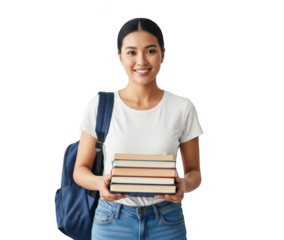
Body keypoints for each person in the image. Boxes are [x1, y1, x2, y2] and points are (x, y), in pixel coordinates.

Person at [73, 16, 204, 240]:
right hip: (111, 221)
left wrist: (183, 184)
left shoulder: (182, 107)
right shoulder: (100, 105)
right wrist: (99, 183)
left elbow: (195, 173)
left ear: (163, 54)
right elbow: (80, 170)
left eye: (150, 51)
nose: (141, 61)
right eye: (132, 52)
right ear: (120, 56)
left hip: (167, 222)